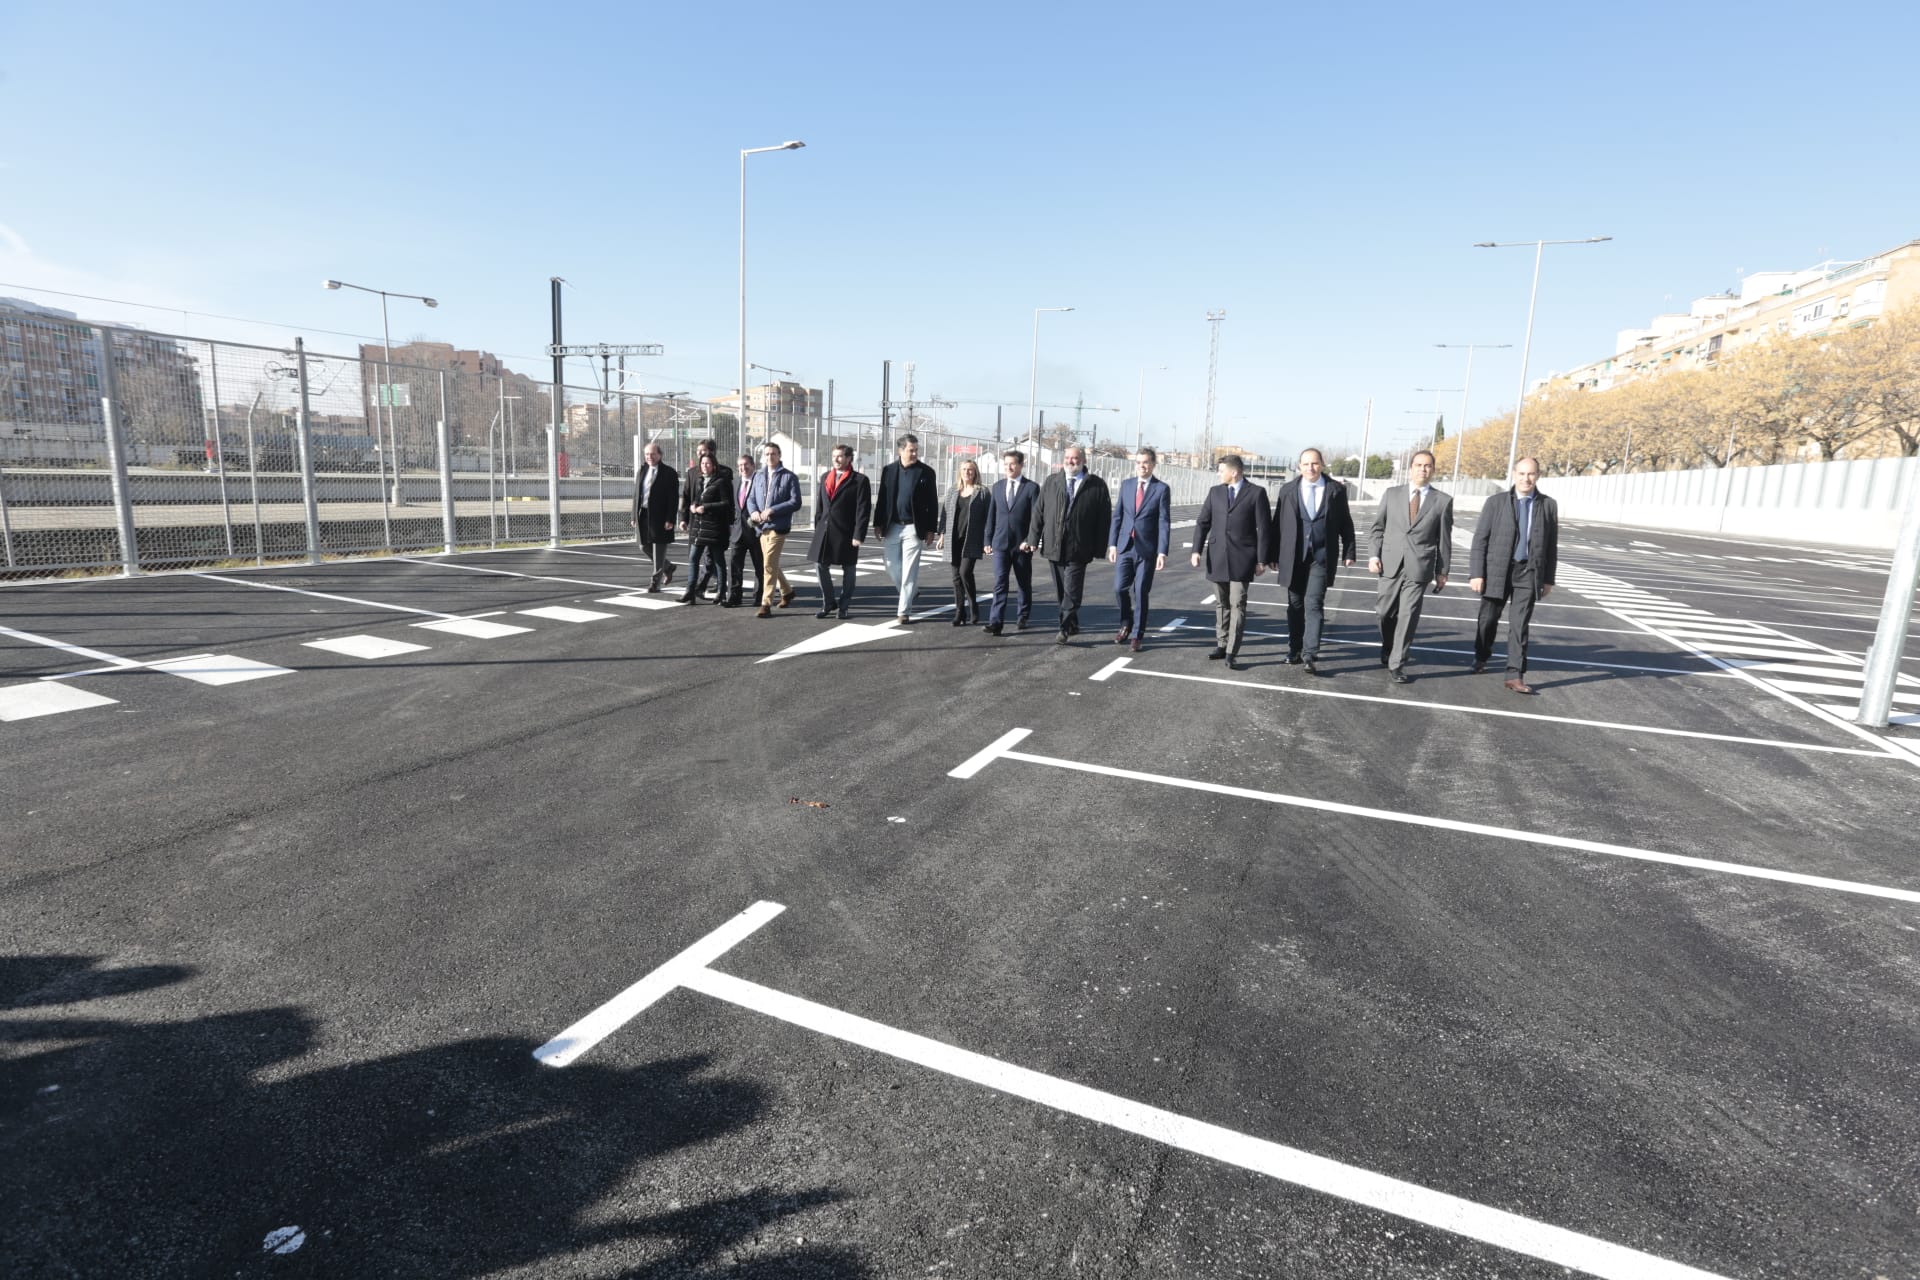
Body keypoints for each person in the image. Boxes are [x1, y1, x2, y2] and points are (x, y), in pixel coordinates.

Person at [1470, 456, 1558, 694]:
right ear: (1514, 474)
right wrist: (1477, 573)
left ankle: (1514, 674)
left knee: (1520, 625)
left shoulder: (1548, 505)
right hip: (1497, 569)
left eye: (1530, 474)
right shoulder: (1496, 502)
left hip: (1528, 571)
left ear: (1537, 476)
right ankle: (1482, 654)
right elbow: (1480, 540)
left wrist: (1548, 578)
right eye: (1521, 473)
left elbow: (1551, 546)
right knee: (1488, 620)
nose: (1526, 479)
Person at [1368, 449, 1453, 684]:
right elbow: (1377, 528)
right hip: (1390, 563)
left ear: (1433, 470)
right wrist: (1373, 555)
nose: (1422, 469)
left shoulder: (1442, 501)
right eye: (1418, 465)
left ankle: (1397, 663)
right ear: (1411, 468)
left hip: (1419, 567)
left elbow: (1444, 539)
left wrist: (1442, 571)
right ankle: (1388, 646)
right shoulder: (1392, 494)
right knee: (1384, 612)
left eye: (1427, 466)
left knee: (1408, 615)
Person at [1272, 447, 1356, 673]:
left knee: (1314, 604)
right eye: (1306, 464)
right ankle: (1295, 650)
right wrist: (1272, 555)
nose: (1311, 468)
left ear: (1322, 464)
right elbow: (1277, 525)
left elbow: (1346, 524)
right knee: (1295, 605)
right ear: (1299, 466)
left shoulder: (1336, 490)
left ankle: (1310, 654)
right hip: (1293, 557)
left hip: (1321, 557)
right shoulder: (1288, 490)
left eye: (1315, 463)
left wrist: (1349, 551)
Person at [1191, 454, 1272, 670]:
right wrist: (1196, 550)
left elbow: (1264, 529)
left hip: (1243, 559)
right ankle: (1221, 643)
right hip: (1217, 557)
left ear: (1234, 472)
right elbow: (1203, 522)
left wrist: (1262, 559)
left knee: (1238, 604)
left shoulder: (1256, 493)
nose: (1218, 473)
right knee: (1222, 604)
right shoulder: (1215, 492)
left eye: (1221, 470)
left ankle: (1231, 651)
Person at [1029, 445, 1112, 645]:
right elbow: (1038, 513)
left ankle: (1064, 627)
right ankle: (1072, 622)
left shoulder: (1097, 485)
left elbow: (1104, 519)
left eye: (1074, 458)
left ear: (1083, 460)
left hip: (1079, 547)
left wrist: (1100, 548)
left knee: (1072, 589)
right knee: (1061, 590)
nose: (1070, 461)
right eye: (1067, 458)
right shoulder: (1052, 482)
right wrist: (1032, 539)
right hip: (1054, 545)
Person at [1107, 447, 1171, 652]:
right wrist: (1112, 544)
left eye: (1145, 462)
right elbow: (1117, 517)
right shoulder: (1126, 486)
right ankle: (1126, 623)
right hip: (1125, 546)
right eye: (1138, 462)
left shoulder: (1161, 489)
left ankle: (1137, 635)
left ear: (1153, 464)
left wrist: (1162, 551)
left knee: (1141, 591)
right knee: (1119, 588)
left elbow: (1164, 522)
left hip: (1147, 550)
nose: (1141, 466)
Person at [873, 434, 941, 623]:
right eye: (911, 450)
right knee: (891, 566)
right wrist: (877, 523)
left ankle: (904, 611)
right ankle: (913, 591)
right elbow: (882, 499)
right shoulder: (889, 470)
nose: (914, 453)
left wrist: (930, 529)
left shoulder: (926, 472)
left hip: (914, 528)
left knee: (909, 571)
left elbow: (932, 502)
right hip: (893, 527)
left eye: (916, 450)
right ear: (900, 450)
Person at [808, 444, 871, 619]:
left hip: (847, 533)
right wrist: (817, 526)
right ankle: (828, 602)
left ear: (849, 458)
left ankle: (844, 605)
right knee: (820, 565)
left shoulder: (859, 480)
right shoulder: (825, 477)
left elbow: (862, 510)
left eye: (840, 456)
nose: (836, 459)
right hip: (825, 530)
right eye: (834, 456)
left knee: (848, 569)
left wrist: (859, 534)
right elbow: (821, 505)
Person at [981, 449, 1039, 636]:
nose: (1009, 467)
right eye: (1006, 464)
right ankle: (996, 622)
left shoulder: (1031, 488)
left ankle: (1023, 615)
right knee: (1000, 583)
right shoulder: (997, 487)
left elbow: (1036, 518)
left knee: (1023, 582)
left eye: (1013, 464)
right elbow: (991, 515)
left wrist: (1031, 540)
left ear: (1021, 465)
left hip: (1022, 545)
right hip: (1000, 543)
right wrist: (987, 539)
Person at [747, 441, 802, 618]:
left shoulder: (789, 477)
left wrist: (773, 510)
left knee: (768, 564)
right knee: (771, 564)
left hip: (778, 527)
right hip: (761, 528)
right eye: (767, 454)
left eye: (773, 454)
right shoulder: (758, 476)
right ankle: (787, 591)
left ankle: (766, 604)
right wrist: (754, 511)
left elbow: (795, 502)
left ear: (779, 456)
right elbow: (751, 498)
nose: (770, 457)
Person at [938, 458, 991, 626]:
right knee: (955, 577)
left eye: (970, 469)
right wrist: (942, 535)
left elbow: (989, 517)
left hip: (972, 539)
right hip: (954, 538)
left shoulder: (982, 492)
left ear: (975, 472)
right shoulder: (953, 491)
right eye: (964, 469)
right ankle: (960, 611)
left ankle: (973, 606)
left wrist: (987, 540)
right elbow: (945, 513)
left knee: (965, 572)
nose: (967, 472)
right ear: (959, 472)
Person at [679, 439, 733, 599]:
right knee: (694, 557)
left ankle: (718, 590)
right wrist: (687, 513)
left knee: (716, 559)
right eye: (698, 453)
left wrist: (707, 508)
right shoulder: (695, 475)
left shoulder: (724, 475)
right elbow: (689, 497)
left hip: (715, 526)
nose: (700, 456)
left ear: (712, 455)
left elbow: (726, 502)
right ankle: (691, 591)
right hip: (698, 525)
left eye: (702, 452)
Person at [630, 441, 678, 593]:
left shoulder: (669, 473)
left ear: (660, 455)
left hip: (661, 517)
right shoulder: (642, 471)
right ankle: (668, 566)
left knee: (658, 549)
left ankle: (655, 582)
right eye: (647, 454)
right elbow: (636, 495)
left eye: (653, 454)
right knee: (643, 545)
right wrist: (633, 515)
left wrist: (670, 519)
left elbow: (673, 498)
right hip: (643, 514)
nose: (649, 457)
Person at [722, 453, 763, 609]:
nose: (743, 468)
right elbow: (733, 507)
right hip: (738, 532)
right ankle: (734, 596)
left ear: (753, 466)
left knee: (759, 566)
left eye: (746, 464)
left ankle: (759, 596)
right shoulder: (735, 483)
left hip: (755, 531)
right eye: (740, 465)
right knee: (734, 566)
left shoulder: (760, 482)